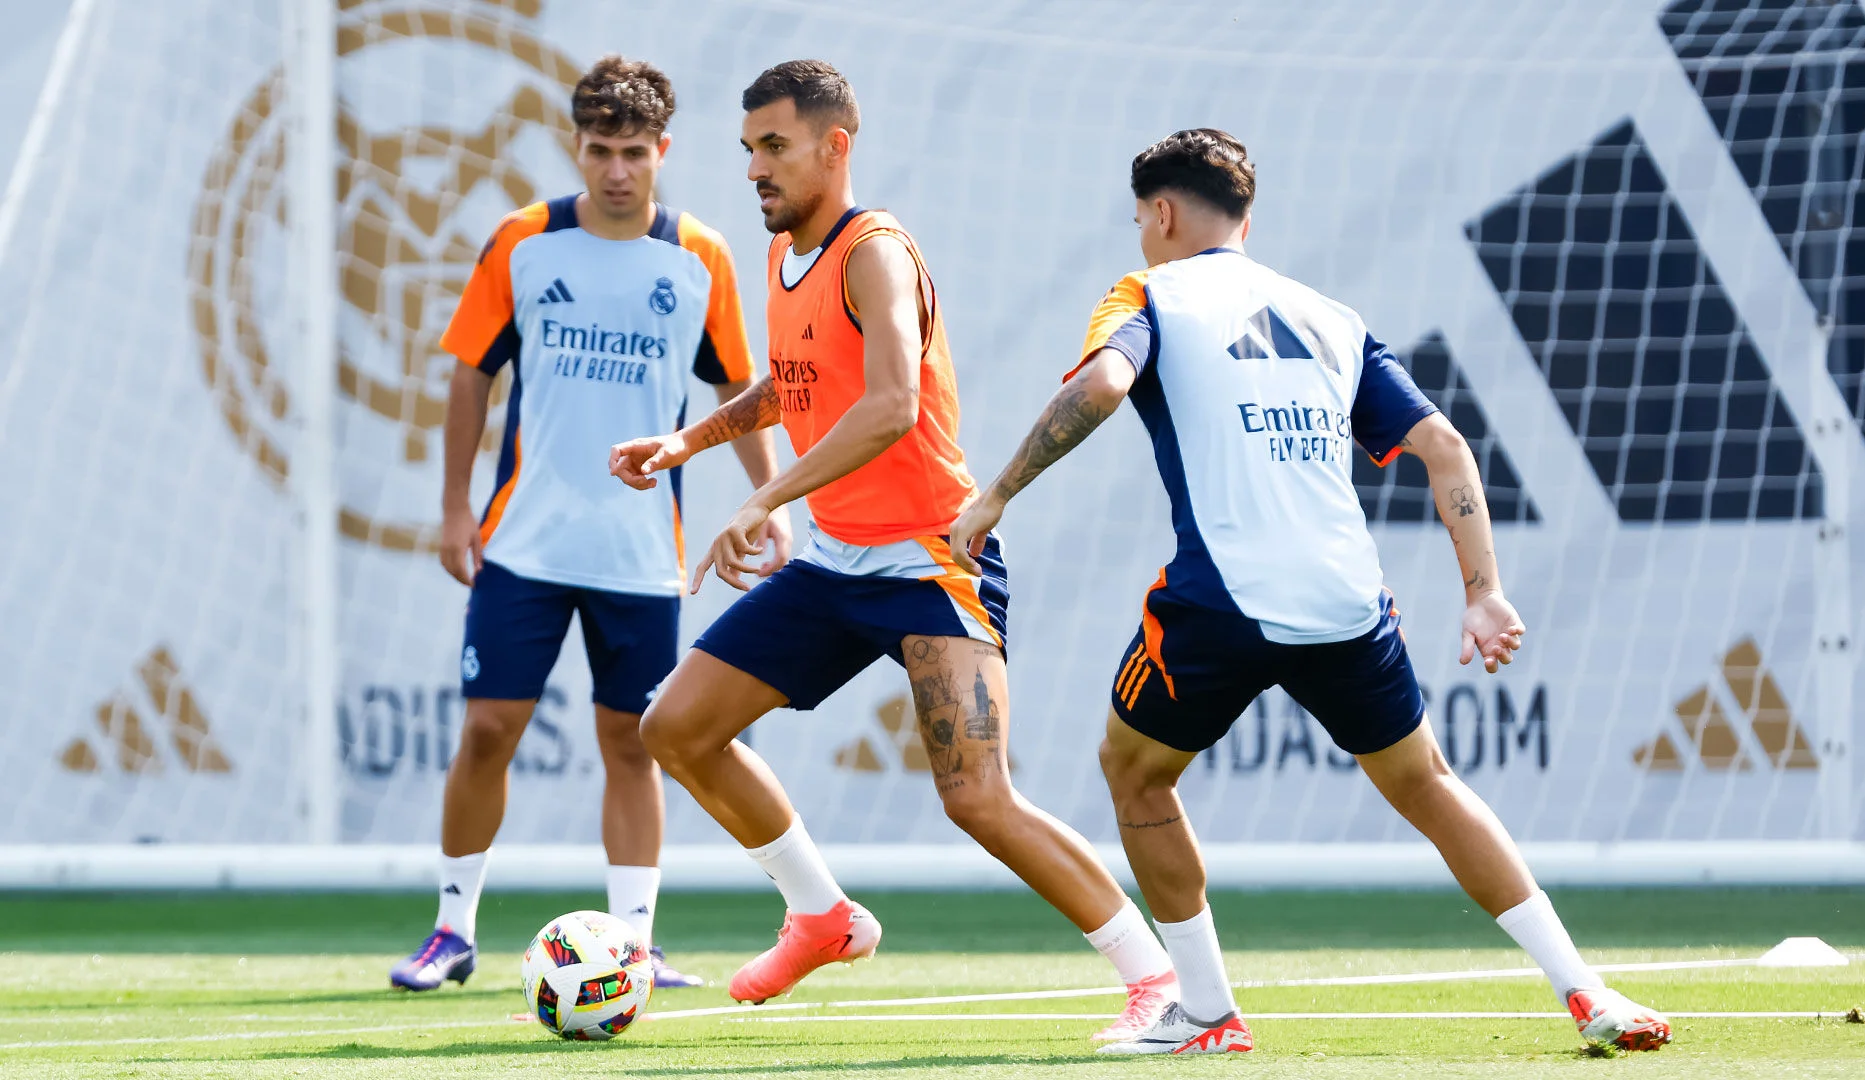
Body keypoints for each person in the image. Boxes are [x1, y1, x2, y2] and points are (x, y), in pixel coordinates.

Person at [948, 128, 1674, 1056]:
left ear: (1162, 214)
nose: (1140, 234)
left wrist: (1000, 491)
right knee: (1429, 785)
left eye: (1140, 218)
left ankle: (1206, 1013)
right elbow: (1445, 448)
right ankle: (1587, 990)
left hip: (1222, 602)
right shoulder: (1328, 314)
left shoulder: (1147, 294)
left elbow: (1103, 382)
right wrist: (1483, 593)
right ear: (1248, 216)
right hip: (1347, 603)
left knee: (1134, 771)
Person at [609, 60, 1177, 1041]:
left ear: (837, 145)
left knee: (978, 799)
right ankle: (821, 915)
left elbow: (890, 405)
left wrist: (767, 497)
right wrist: (686, 443)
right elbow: (790, 386)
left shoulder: (876, 250)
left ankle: (1159, 982)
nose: (755, 168)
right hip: (837, 561)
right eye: (747, 150)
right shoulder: (787, 256)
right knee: (675, 729)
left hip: (932, 557)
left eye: (774, 146)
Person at [389, 56, 788, 992]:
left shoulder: (701, 256)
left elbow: (737, 389)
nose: (617, 170)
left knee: (634, 740)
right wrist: (455, 509)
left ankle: (636, 945)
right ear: (576, 145)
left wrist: (767, 501)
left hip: (642, 552)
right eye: (601, 150)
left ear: (664, 151)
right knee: (488, 729)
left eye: (635, 152)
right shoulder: (523, 241)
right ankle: (451, 932)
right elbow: (469, 375)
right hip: (524, 544)